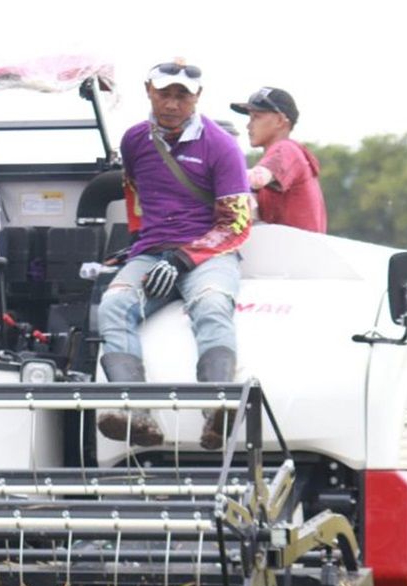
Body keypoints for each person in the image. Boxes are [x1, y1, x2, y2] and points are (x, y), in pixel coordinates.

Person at [98, 59, 253, 450]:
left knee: (212, 304)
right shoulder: (133, 141)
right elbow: (135, 194)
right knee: (113, 305)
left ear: (197, 97)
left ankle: (218, 407)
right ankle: (135, 412)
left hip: (208, 254)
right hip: (153, 252)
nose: (171, 103)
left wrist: (185, 257)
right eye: (164, 93)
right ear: (148, 91)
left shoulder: (221, 145)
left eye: (181, 95)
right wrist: (138, 245)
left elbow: (235, 223)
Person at [230, 87, 327, 233]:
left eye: (256, 117)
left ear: (280, 121)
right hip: (297, 250)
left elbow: (257, 179)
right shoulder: (288, 156)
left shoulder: (286, 149)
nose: (249, 125)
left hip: (295, 252)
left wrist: (209, 174)